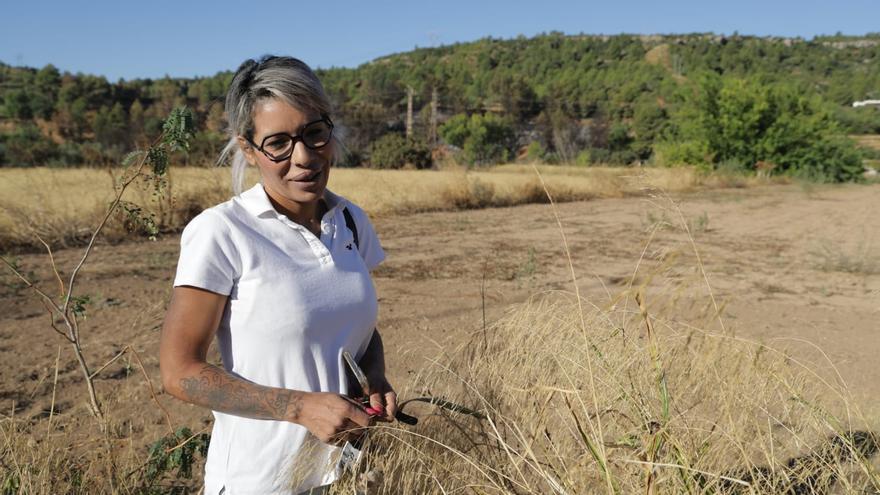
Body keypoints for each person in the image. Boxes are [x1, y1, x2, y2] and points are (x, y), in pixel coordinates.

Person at [159, 55, 397, 494]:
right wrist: (298, 407)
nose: (304, 157)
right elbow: (179, 371)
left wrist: (375, 376)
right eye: (279, 144)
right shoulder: (222, 232)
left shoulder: (349, 220)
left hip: (347, 475)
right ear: (248, 149)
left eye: (314, 134)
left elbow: (359, 331)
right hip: (262, 481)